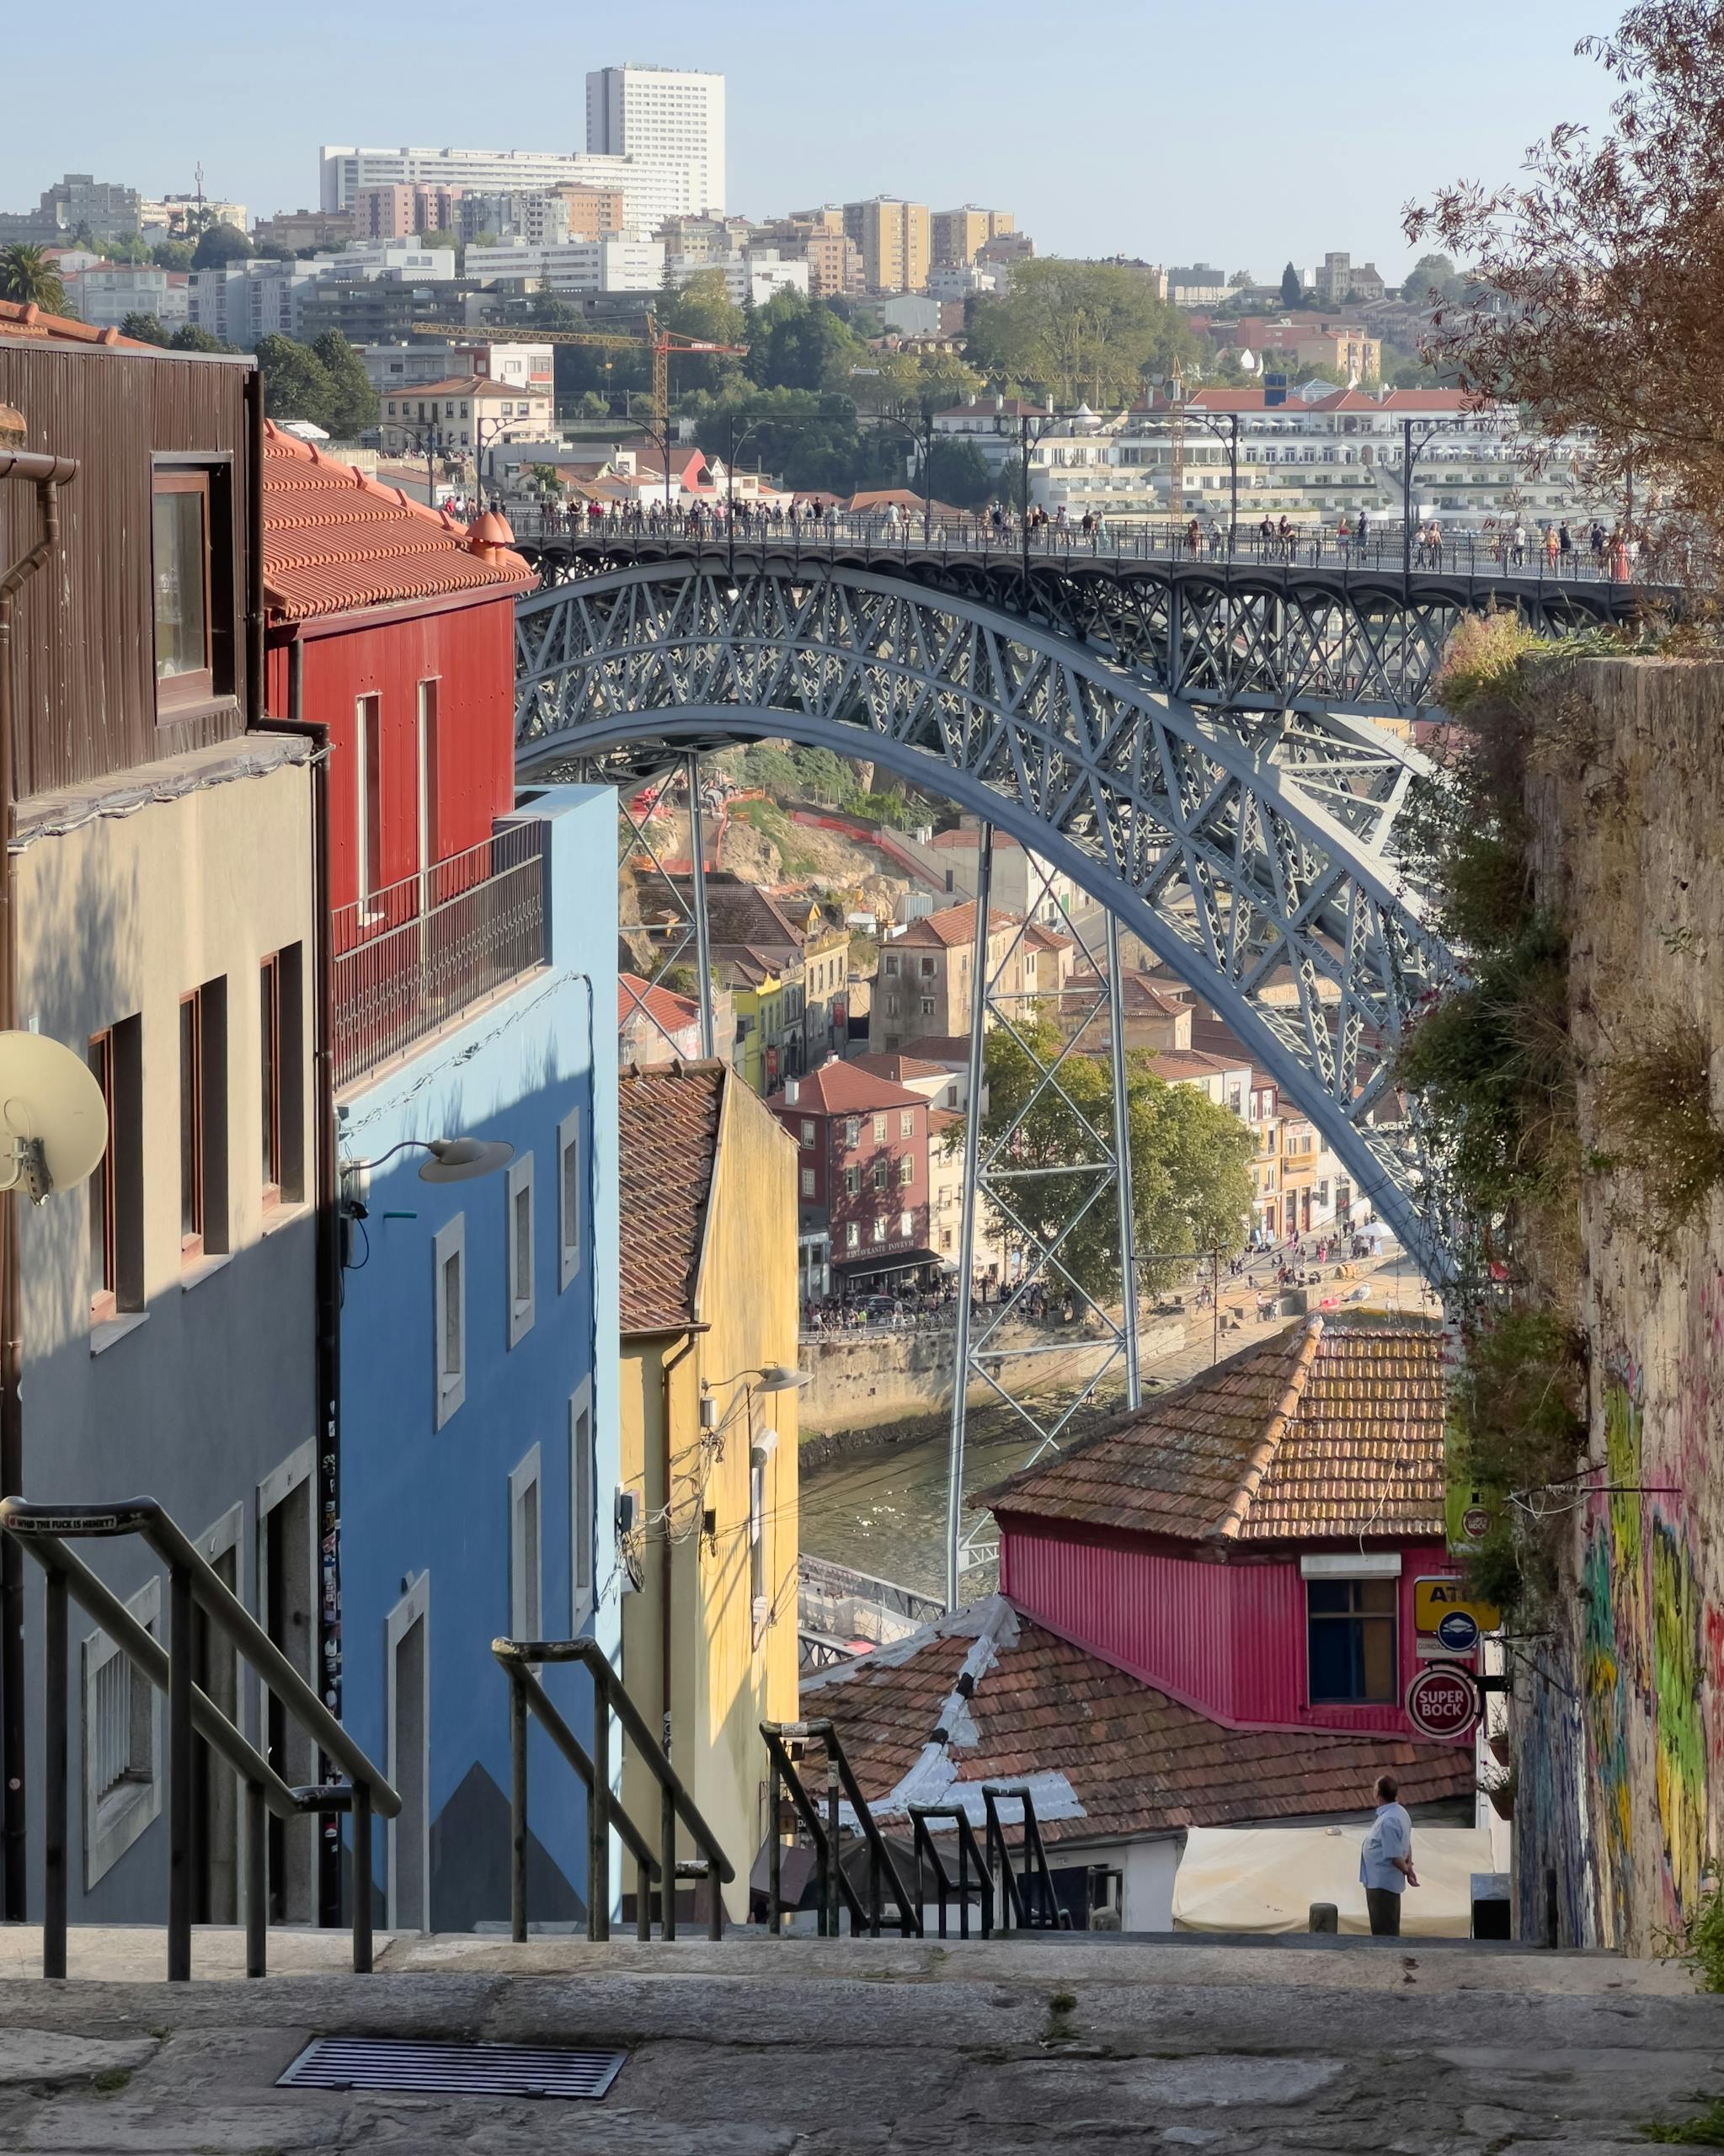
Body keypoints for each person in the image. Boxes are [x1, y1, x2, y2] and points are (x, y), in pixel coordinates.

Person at [1359, 1773, 1417, 1936]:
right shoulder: (1400, 1812)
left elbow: (1394, 1855)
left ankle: (1386, 1960)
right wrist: (1409, 1865)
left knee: (1383, 1930)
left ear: (1377, 1792)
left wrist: (1407, 1870)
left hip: (1382, 1883)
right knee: (1387, 1925)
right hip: (1383, 1880)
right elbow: (1406, 1843)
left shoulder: (1388, 1820)